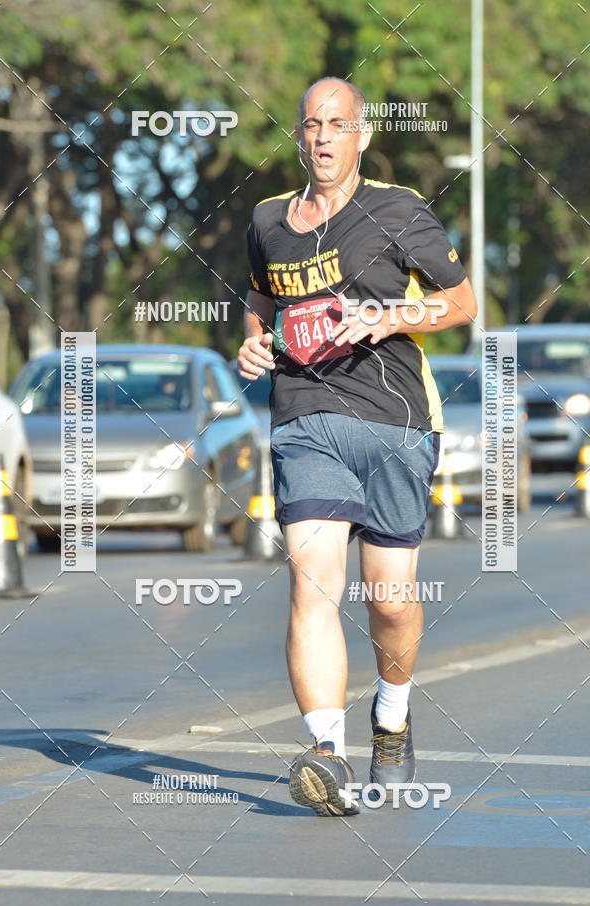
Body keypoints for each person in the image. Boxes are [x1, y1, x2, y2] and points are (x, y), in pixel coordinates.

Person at [237, 77, 477, 817]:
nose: (323, 137)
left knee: (391, 600)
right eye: (312, 124)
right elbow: (260, 301)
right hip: (303, 417)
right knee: (312, 577)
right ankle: (325, 755)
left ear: (362, 136)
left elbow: (464, 303)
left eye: (338, 124)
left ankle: (394, 715)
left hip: (395, 419)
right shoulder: (268, 220)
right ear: (300, 135)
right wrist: (252, 349)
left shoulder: (398, 210)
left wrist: (391, 315)